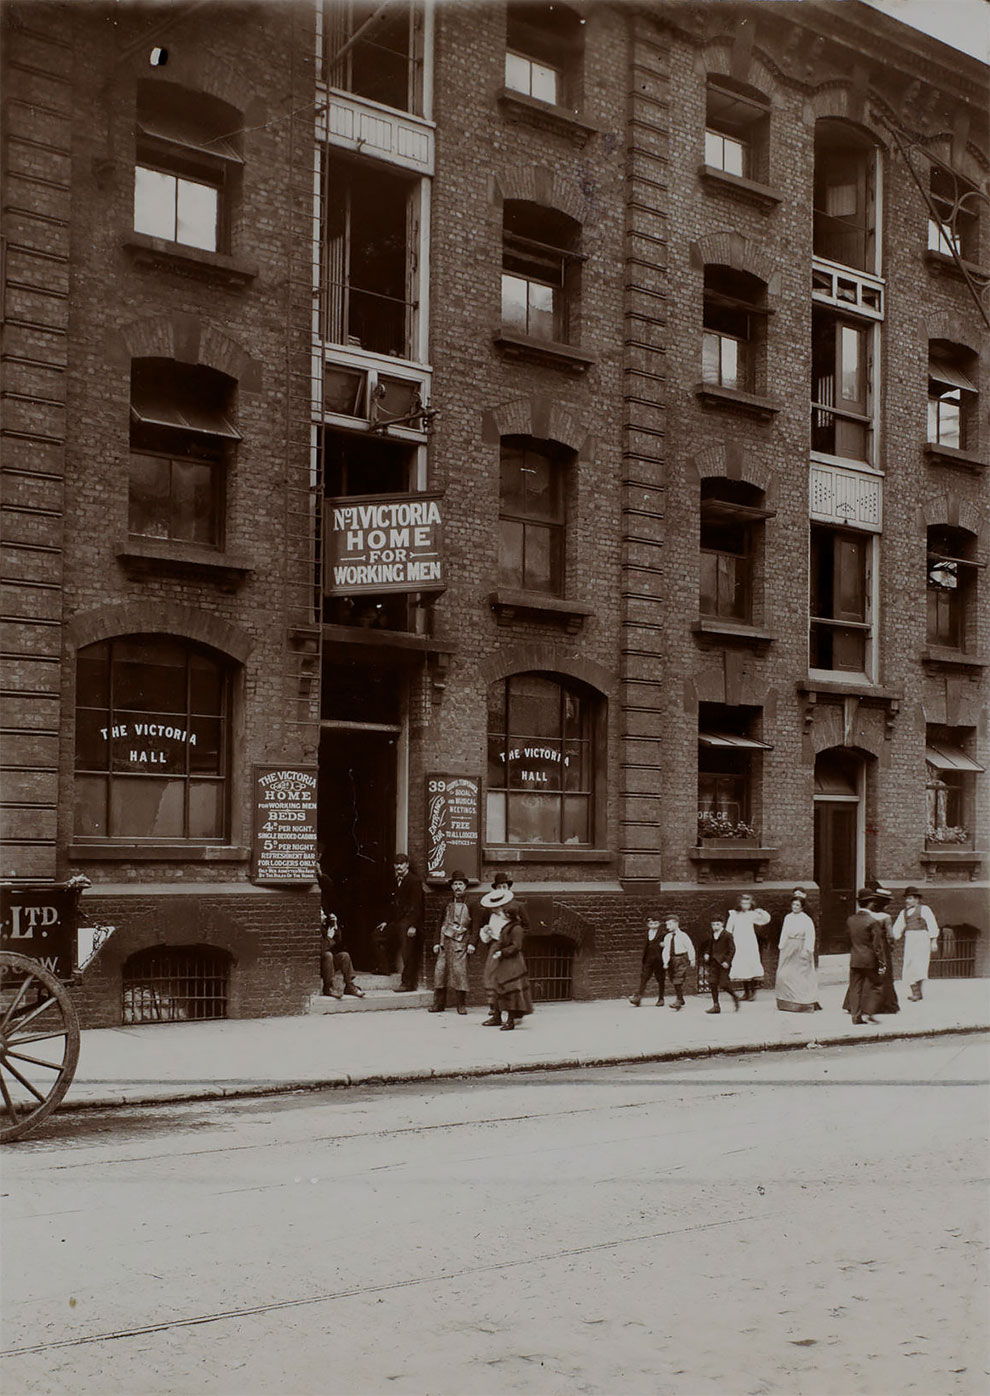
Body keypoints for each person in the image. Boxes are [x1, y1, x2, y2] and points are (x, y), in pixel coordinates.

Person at [478, 874, 529, 1026]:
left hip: (509, 951)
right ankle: (496, 1015)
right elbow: (486, 929)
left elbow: (524, 928)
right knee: (493, 982)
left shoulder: (514, 910)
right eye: (499, 887)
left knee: (509, 984)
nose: (501, 889)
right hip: (495, 950)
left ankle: (511, 1017)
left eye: (504, 887)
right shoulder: (491, 913)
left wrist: (512, 941)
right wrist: (487, 934)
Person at [375, 854, 424, 990]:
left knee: (407, 951)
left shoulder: (414, 881)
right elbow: (392, 904)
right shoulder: (395, 880)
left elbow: (417, 905)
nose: (399, 867)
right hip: (396, 921)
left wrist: (413, 925)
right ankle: (384, 968)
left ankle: (407, 983)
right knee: (377, 935)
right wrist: (386, 921)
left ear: (407, 864)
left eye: (401, 864)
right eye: (396, 864)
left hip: (408, 922)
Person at [429, 869, 475, 1014]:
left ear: (465, 886)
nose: (458, 887)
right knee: (440, 972)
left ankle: (461, 1004)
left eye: (460, 884)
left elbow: (475, 926)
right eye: (455, 884)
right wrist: (436, 942)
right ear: (452, 886)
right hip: (445, 943)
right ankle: (439, 1004)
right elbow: (439, 923)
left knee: (460, 973)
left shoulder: (472, 903)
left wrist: (472, 943)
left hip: (461, 944)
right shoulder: (446, 903)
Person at [845, 888, 886, 1024]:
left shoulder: (850, 920)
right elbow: (877, 945)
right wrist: (882, 962)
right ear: (870, 903)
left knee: (855, 987)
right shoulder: (872, 921)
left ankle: (855, 1016)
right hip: (869, 960)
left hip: (855, 959)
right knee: (877, 984)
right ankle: (869, 1012)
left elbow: (848, 939)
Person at [891, 887, 940, 1001]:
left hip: (922, 938)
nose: (907, 901)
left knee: (919, 965)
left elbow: (932, 924)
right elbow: (897, 928)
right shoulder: (903, 912)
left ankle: (917, 993)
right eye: (907, 899)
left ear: (917, 899)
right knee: (909, 964)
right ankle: (915, 992)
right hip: (910, 939)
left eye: (910, 898)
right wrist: (893, 939)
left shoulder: (924, 909)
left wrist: (934, 941)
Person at [490, 904, 533, 1031]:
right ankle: (497, 1016)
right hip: (505, 962)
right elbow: (503, 940)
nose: (500, 914)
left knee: (511, 990)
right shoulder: (508, 926)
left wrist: (502, 952)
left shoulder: (516, 928)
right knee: (498, 987)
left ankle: (510, 1020)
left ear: (508, 915)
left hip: (513, 964)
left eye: (503, 912)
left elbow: (516, 946)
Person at [775, 895, 821, 1012]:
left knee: (800, 976)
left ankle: (802, 1002)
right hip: (788, 948)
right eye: (793, 904)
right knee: (784, 974)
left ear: (802, 907)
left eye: (797, 905)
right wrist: (782, 946)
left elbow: (810, 936)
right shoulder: (788, 917)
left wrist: (808, 950)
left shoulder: (806, 920)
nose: (795, 907)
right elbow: (784, 932)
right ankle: (786, 1001)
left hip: (801, 948)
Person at [726, 893, 771, 1000]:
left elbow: (765, 920)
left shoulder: (752, 914)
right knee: (742, 967)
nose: (745, 905)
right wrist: (729, 942)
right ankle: (746, 992)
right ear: (739, 904)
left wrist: (761, 912)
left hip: (750, 943)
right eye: (743, 903)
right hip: (739, 943)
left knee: (751, 965)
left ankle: (753, 992)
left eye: (747, 903)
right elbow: (728, 929)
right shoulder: (734, 914)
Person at [866, 880, 899, 1014]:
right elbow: (890, 935)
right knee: (884, 973)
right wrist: (892, 945)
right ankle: (885, 1004)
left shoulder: (869, 915)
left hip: (869, 946)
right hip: (882, 947)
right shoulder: (885, 917)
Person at [320, 911, 364, 999]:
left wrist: (335, 925)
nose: (325, 917)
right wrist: (329, 937)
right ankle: (328, 987)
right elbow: (321, 949)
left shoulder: (324, 928)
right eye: (322, 915)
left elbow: (338, 942)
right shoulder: (312, 931)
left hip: (329, 964)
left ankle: (349, 985)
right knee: (328, 955)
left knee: (344, 955)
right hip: (319, 966)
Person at [701, 917, 739, 1014]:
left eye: (717, 924)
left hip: (723, 963)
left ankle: (735, 997)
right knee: (712, 983)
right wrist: (707, 953)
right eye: (713, 925)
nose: (715, 927)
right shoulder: (713, 935)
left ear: (722, 924)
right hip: (714, 962)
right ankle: (716, 1006)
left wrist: (727, 961)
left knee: (723, 984)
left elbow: (732, 949)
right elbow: (709, 946)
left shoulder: (727, 935)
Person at [628, 913, 666, 1007]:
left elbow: (667, 944)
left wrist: (664, 945)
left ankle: (661, 998)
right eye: (651, 924)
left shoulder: (663, 933)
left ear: (659, 923)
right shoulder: (647, 933)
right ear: (648, 924)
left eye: (655, 923)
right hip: (648, 959)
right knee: (644, 978)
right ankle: (638, 998)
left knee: (660, 979)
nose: (653, 926)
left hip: (659, 960)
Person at [661, 914, 696, 1010]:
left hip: (681, 959)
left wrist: (692, 959)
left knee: (678, 979)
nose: (667, 927)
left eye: (670, 924)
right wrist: (665, 962)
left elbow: (690, 947)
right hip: (672, 959)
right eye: (666, 924)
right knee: (673, 978)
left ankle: (679, 1000)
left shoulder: (683, 936)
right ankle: (681, 999)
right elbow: (666, 950)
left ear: (676, 923)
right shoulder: (667, 937)